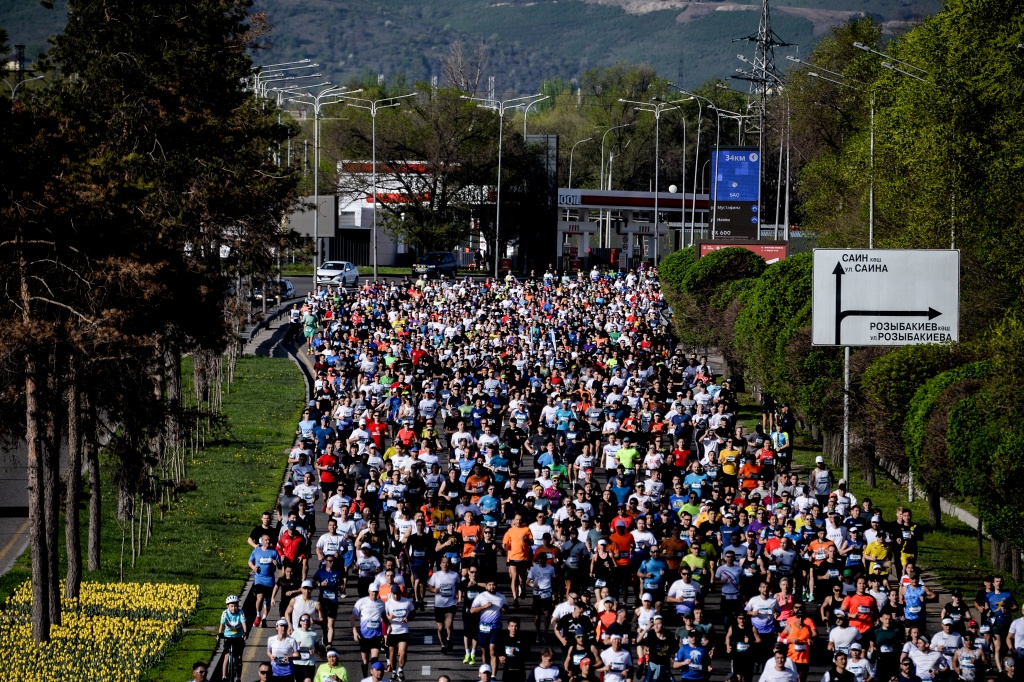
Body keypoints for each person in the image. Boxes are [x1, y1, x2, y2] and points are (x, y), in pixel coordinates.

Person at [471, 577, 509, 670]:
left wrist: (504, 610)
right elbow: (472, 610)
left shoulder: (501, 597)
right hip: (483, 628)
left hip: (496, 627)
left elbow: (506, 607)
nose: (492, 587)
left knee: (492, 651)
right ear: (486, 586)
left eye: (493, 585)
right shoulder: (481, 596)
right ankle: (486, 669)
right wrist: (484, 606)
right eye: (490, 585)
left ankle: (493, 676)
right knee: (484, 651)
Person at [352, 585, 386, 677]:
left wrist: (388, 626)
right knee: (365, 661)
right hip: (364, 635)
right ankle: (365, 678)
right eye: (372, 591)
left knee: (374, 659)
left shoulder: (381, 603)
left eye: (376, 591)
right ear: (368, 591)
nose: (374, 593)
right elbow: (353, 618)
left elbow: (384, 617)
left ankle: (373, 678)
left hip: (376, 635)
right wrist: (355, 631)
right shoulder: (361, 602)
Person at [429, 555, 460, 654]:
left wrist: (459, 598)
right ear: (440, 564)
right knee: (440, 627)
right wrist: (435, 590)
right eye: (443, 562)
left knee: (449, 624)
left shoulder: (455, 575)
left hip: (450, 604)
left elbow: (459, 587)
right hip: (439, 605)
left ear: (450, 564)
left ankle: (449, 639)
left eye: (447, 562)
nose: (445, 564)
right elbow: (430, 587)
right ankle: (442, 644)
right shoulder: (436, 575)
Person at [250, 533, 282, 628]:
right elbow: (250, 561)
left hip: (269, 580)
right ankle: (258, 616)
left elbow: (280, 566)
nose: (267, 542)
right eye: (266, 540)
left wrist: (277, 563)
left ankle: (264, 618)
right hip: (259, 579)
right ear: (262, 541)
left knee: (267, 602)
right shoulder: (256, 551)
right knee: (259, 598)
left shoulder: (274, 552)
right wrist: (253, 567)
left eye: (269, 540)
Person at [385, 590, 415, 679]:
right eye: (394, 594)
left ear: (400, 593)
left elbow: (413, 612)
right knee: (392, 653)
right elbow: (382, 616)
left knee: (403, 652)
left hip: (403, 631)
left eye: (397, 594)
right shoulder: (388, 603)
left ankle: (400, 670)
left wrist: (408, 618)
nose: (396, 596)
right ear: (391, 594)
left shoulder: (406, 602)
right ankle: (394, 671)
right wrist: (388, 618)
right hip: (392, 631)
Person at [219, 594, 247, 682]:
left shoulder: (241, 612)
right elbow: (222, 625)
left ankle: (238, 677)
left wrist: (245, 633)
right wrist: (219, 633)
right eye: (231, 606)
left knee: (239, 657)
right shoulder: (225, 613)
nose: (234, 608)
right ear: (228, 606)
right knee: (226, 656)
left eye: (235, 606)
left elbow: (244, 624)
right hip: (228, 636)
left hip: (238, 636)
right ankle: (224, 676)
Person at [499, 617, 532, 682]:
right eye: (512, 626)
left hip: (519, 670)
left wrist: (516, 653)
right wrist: (500, 657)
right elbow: (499, 650)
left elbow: (528, 655)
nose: (514, 628)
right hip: (507, 670)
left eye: (516, 626)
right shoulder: (503, 638)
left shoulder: (523, 639)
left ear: (519, 627)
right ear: (508, 627)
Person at [293, 613, 322, 682]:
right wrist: (296, 646)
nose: (305, 622)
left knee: (308, 680)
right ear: (300, 622)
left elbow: (319, 648)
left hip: (310, 662)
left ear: (310, 622)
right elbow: (289, 648)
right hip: (298, 662)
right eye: (303, 620)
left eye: (307, 620)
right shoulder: (295, 633)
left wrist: (315, 650)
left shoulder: (314, 634)